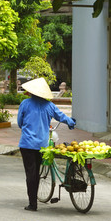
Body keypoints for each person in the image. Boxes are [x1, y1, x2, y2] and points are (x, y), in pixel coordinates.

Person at [17, 77, 75, 211]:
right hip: (42, 146)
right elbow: (62, 116)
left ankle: (33, 204)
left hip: (27, 144)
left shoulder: (25, 104)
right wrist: (71, 122)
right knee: (36, 172)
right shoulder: (49, 106)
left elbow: (20, 123)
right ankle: (34, 200)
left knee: (31, 174)